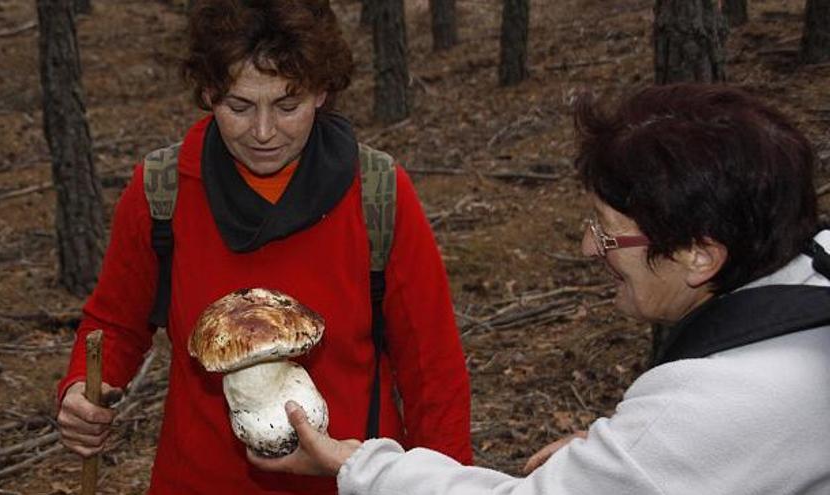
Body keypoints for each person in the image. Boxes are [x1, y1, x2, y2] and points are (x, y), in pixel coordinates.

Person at [249, 84, 830, 494]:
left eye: (608, 233)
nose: (587, 248)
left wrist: (358, 464)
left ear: (700, 256)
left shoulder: (712, 408)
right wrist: (623, 461)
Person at [54, 1, 472, 493]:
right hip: (200, 479)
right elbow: (116, 322)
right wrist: (83, 385)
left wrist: (443, 483)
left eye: (287, 105)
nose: (264, 132)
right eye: (239, 106)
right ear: (209, 93)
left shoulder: (377, 194)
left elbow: (432, 371)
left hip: (348, 480)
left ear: (321, 91)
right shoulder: (163, 191)